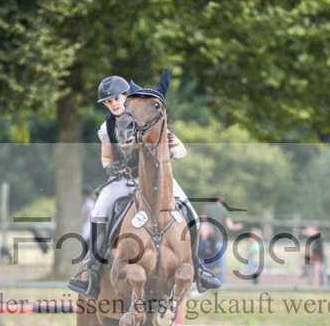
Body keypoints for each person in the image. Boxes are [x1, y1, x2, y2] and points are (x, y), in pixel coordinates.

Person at [68, 71, 222, 299]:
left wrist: (168, 151)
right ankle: (90, 270)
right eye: (108, 102)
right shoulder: (106, 127)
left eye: (117, 99)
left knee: (191, 214)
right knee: (98, 211)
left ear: (127, 97)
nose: (113, 104)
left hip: (157, 178)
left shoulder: (144, 118)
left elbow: (182, 150)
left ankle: (198, 267)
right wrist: (109, 168)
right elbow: (106, 157)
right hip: (123, 180)